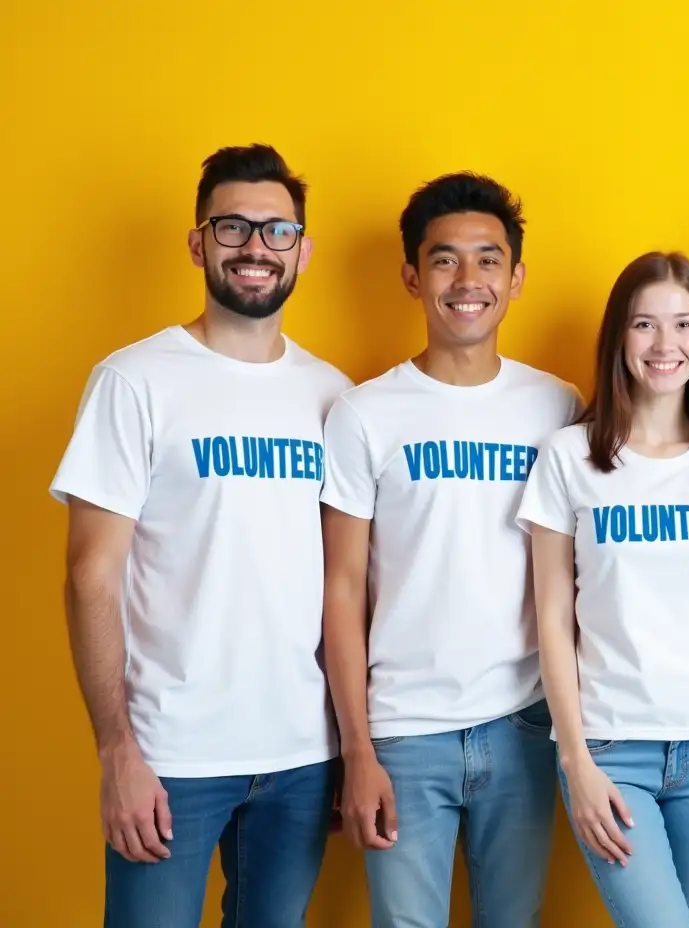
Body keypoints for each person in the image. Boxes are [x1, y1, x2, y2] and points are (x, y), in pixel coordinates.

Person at [49, 144, 351, 927]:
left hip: (301, 756)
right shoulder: (136, 380)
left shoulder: (333, 396)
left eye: (277, 231)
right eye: (233, 227)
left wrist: (352, 747)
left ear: (302, 250)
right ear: (197, 242)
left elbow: (350, 581)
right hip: (170, 758)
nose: (256, 247)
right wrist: (117, 750)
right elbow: (90, 575)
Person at [320, 172, 582, 927]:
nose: (468, 280)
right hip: (404, 730)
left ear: (517, 277)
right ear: (412, 276)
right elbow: (341, 588)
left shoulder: (558, 406)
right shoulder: (364, 415)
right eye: (444, 260)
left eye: (487, 259)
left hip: (524, 722)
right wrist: (357, 749)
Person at [515, 251, 689, 928]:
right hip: (609, 747)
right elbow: (551, 616)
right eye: (644, 326)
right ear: (618, 339)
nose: (666, 345)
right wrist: (575, 760)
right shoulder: (569, 457)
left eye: (684, 325)